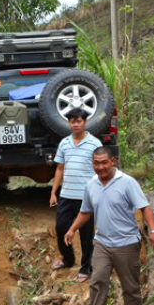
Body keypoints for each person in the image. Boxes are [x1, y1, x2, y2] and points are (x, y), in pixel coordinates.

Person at [64, 147, 154, 305]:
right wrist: (72, 229)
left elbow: (145, 207)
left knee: (130, 287)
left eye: (103, 162)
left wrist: (153, 230)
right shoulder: (91, 185)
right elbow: (85, 211)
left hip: (126, 243)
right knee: (98, 280)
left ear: (112, 161)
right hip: (102, 243)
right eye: (96, 163)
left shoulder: (127, 183)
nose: (100, 167)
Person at [50, 108, 103, 284]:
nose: (76, 124)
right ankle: (67, 259)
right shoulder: (64, 143)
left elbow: (100, 169)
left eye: (79, 121)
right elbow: (59, 169)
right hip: (66, 195)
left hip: (86, 197)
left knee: (86, 235)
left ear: (84, 122)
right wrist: (53, 192)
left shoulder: (94, 143)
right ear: (69, 123)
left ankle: (86, 268)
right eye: (72, 121)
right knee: (61, 228)